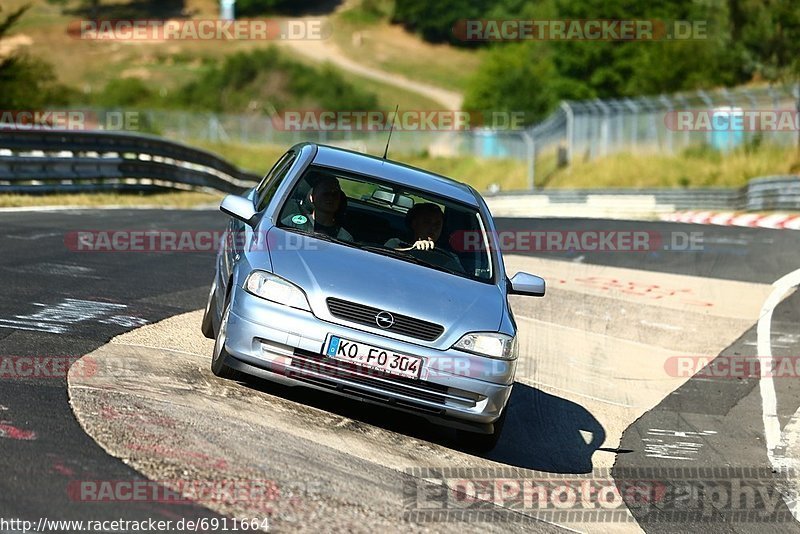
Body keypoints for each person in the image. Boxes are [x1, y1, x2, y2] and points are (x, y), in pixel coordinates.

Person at [385, 202, 464, 272]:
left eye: (437, 224)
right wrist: (412, 249)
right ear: (414, 224)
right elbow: (383, 259)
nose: (433, 228)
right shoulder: (395, 242)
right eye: (427, 222)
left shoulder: (450, 257)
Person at [282, 174, 353, 241]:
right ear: (312, 197)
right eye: (325, 193)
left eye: (335, 194)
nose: (330, 198)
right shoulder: (293, 222)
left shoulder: (344, 237)